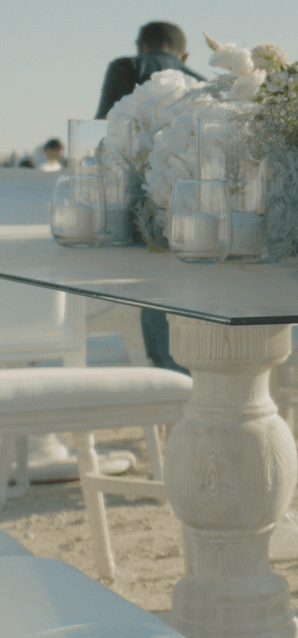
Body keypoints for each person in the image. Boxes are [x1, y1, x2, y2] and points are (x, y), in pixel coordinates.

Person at [96, 21, 207, 374]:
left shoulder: (127, 66)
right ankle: (185, 370)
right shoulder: (201, 81)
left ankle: (167, 370)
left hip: (137, 203)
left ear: (142, 47)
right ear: (184, 55)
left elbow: (103, 129)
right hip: (192, 208)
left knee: (152, 284)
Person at [95, 21, 205, 119]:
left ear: (141, 48)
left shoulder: (126, 66)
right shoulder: (202, 83)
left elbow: (106, 121)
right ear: (185, 57)